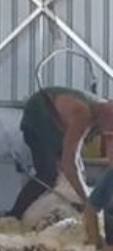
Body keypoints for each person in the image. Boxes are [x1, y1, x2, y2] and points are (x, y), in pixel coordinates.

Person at [8, 87, 113, 240]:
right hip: (40, 111)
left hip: (57, 118)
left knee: (72, 172)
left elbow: (73, 156)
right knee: (47, 173)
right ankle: (13, 217)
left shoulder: (101, 112)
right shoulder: (83, 114)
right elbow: (69, 162)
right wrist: (87, 202)